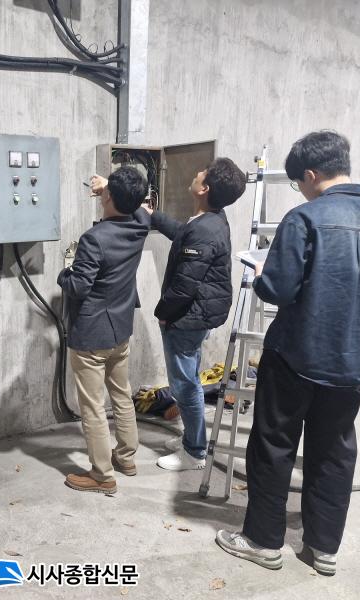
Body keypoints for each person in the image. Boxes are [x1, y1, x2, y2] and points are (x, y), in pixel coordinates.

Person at [215, 131, 360, 575]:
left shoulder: (305, 219)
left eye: (299, 182)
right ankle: (324, 549)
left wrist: (261, 272)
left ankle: (263, 542)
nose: (300, 189)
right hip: (350, 362)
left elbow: (278, 289)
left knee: (274, 446)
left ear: (312, 174)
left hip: (295, 356)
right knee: (334, 452)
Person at [145, 158, 247, 471]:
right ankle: (193, 437)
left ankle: (194, 452)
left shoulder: (205, 229)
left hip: (188, 316)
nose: (196, 172)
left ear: (204, 188)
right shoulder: (210, 220)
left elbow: (184, 286)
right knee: (188, 378)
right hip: (199, 313)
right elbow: (183, 233)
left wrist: (162, 313)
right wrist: (153, 216)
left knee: (184, 385)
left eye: (202, 172)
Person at [58, 166, 150, 494]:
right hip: (120, 329)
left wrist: (64, 273)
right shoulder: (141, 224)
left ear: (108, 196)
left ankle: (102, 475)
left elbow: (79, 286)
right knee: (121, 395)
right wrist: (109, 187)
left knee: (93, 406)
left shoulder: (94, 239)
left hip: (92, 334)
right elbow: (139, 206)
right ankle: (126, 457)